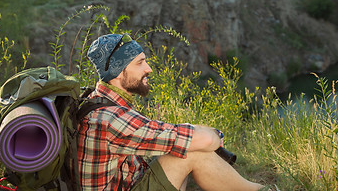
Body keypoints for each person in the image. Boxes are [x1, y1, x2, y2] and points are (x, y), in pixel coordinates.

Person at [77, 33, 277, 191]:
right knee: (192, 153)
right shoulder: (110, 118)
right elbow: (206, 141)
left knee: (182, 146)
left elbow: (160, 133)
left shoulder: (99, 102)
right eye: (140, 63)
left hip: (127, 184)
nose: (149, 69)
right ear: (119, 72)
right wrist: (212, 136)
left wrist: (195, 135)